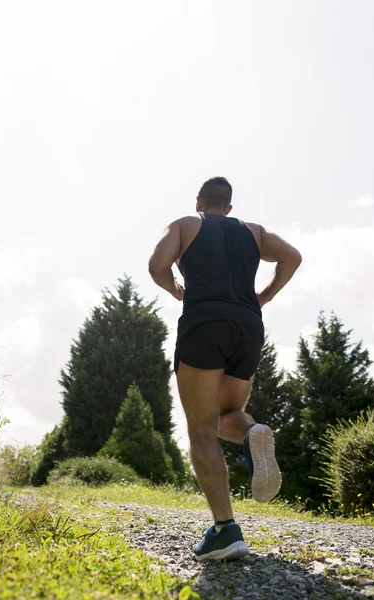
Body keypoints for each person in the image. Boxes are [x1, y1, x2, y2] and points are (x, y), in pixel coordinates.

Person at [148, 177, 302, 561]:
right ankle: (253, 432)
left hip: (204, 323)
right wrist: (263, 296)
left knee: (201, 429)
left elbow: (156, 265)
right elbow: (293, 256)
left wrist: (173, 289)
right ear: (229, 208)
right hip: (248, 328)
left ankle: (225, 529)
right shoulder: (253, 232)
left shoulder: (186, 224)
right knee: (227, 415)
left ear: (200, 201)